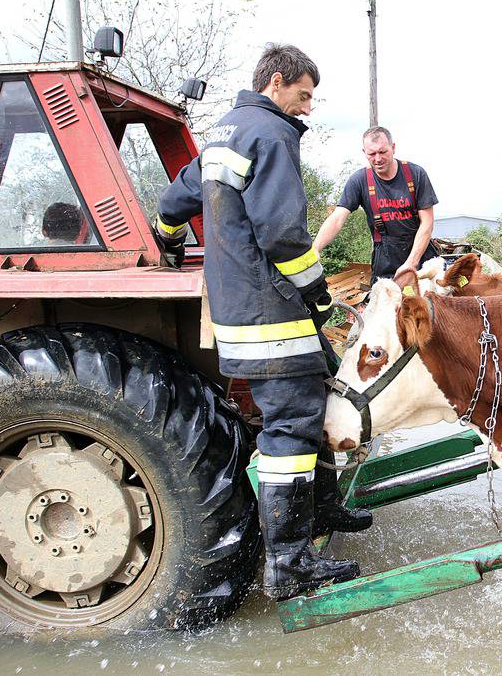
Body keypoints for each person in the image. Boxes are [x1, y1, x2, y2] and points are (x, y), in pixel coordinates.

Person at [154, 43, 371, 601]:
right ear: (277, 81)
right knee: (292, 424)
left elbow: (172, 205)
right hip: (269, 309)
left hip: (239, 307)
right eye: (303, 96)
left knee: (323, 384)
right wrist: (320, 295)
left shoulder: (225, 131)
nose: (307, 109)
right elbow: (282, 235)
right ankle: (290, 565)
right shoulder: (271, 134)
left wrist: (171, 246)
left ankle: (322, 507)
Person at [313, 126, 439, 282]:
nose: (377, 159)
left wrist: (411, 264)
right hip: (385, 259)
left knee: (433, 302)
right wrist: (315, 249)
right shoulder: (359, 180)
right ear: (364, 152)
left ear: (393, 148)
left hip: (421, 255)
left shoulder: (415, 174)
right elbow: (337, 218)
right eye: (372, 154)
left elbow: (427, 223)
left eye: (382, 152)